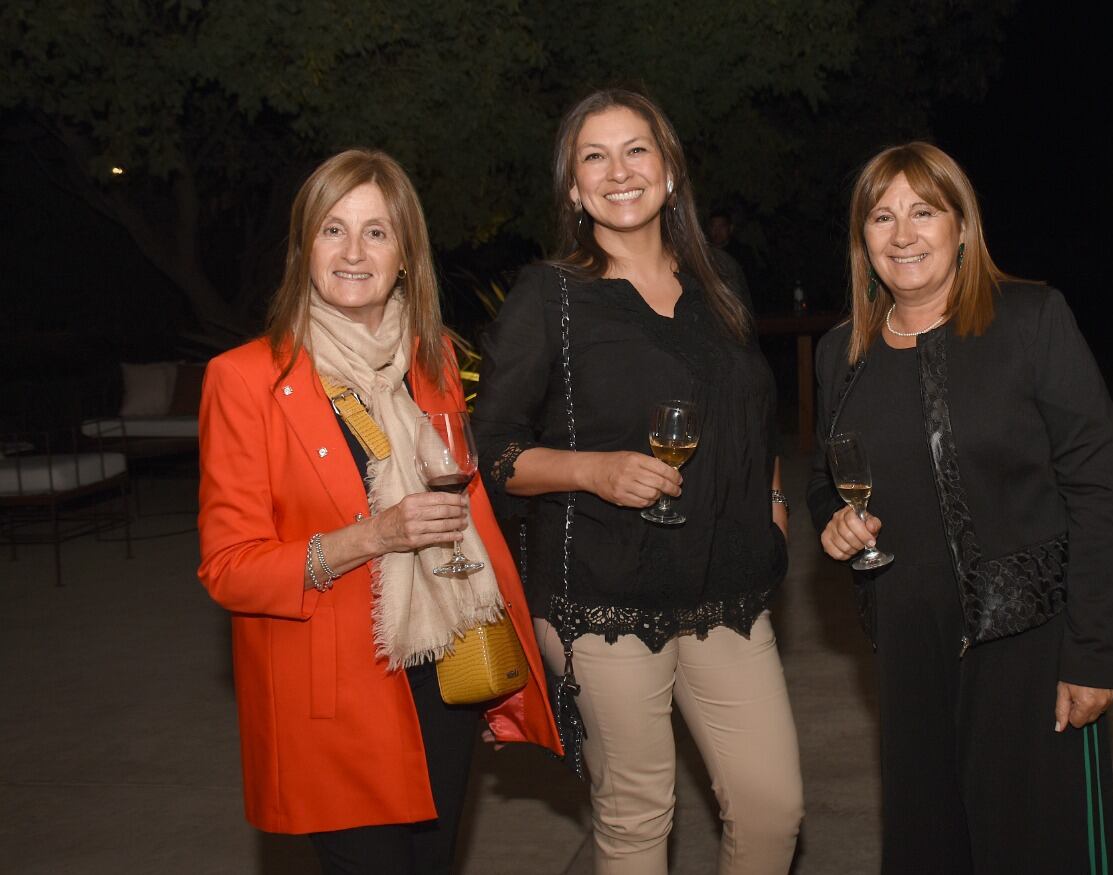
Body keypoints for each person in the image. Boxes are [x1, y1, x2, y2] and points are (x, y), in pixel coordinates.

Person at [197, 148, 560, 874]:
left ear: (405, 257)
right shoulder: (245, 379)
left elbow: (473, 528)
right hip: (331, 702)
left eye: (377, 232)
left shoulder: (430, 366)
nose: (354, 252)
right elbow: (229, 570)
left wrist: (505, 669)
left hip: (443, 679)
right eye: (333, 230)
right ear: (304, 250)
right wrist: (371, 536)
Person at [472, 89, 803, 874]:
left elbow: (753, 412)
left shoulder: (722, 278)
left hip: (725, 586)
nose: (619, 171)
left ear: (670, 171)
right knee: (637, 814)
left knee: (772, 805)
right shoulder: (549, 296)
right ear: (575, 189)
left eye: (636, 150)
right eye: (595, 156)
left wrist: (775, 510)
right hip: (601, 592)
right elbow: (492, 449)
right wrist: (595, 470)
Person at [808, 141, 1113, 874]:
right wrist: (834, 521)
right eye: (881, 217)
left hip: (1030, 645)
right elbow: (827, 477)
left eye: (924, 211)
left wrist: (1095, 651)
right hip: (907, 645)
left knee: (1042, 851)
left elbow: (1098, 486)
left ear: (961, 226)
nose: (902, 234)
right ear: (863, 241)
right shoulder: (840, 354)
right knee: (928, 846)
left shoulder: (1032, 320)